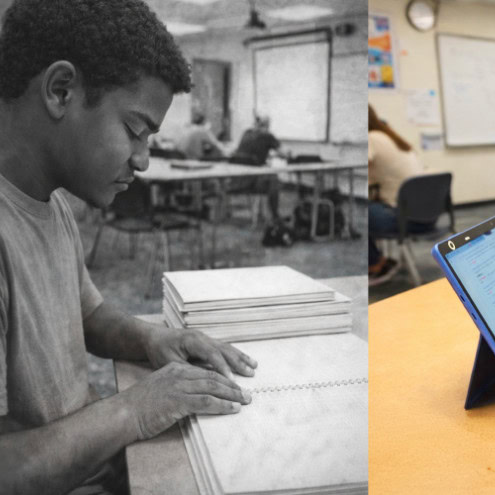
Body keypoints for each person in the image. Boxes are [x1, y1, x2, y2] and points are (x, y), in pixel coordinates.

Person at [0, 1, 256, 492]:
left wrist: (152, 340)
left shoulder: (50, 201)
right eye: (134, 130)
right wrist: (133, 410)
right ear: (60, 90)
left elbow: (88, 315)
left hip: (97, 460)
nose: (142, 160)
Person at [367, 104, 427, 286]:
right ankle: (379, 260)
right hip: (427, 215)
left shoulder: (372, 138)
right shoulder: (392, 137)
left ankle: (376, 264)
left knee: (357, 212)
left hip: (404, 218)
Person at [228, 115, 284, 224]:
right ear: (267, 125)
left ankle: (262, 214)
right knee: (275, 180)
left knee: (268, 175)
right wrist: (287, 153)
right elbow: (283, 154)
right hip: (253, 183)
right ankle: (275, 216)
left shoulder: (246, 133)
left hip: (236, 181)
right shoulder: (268, 136)